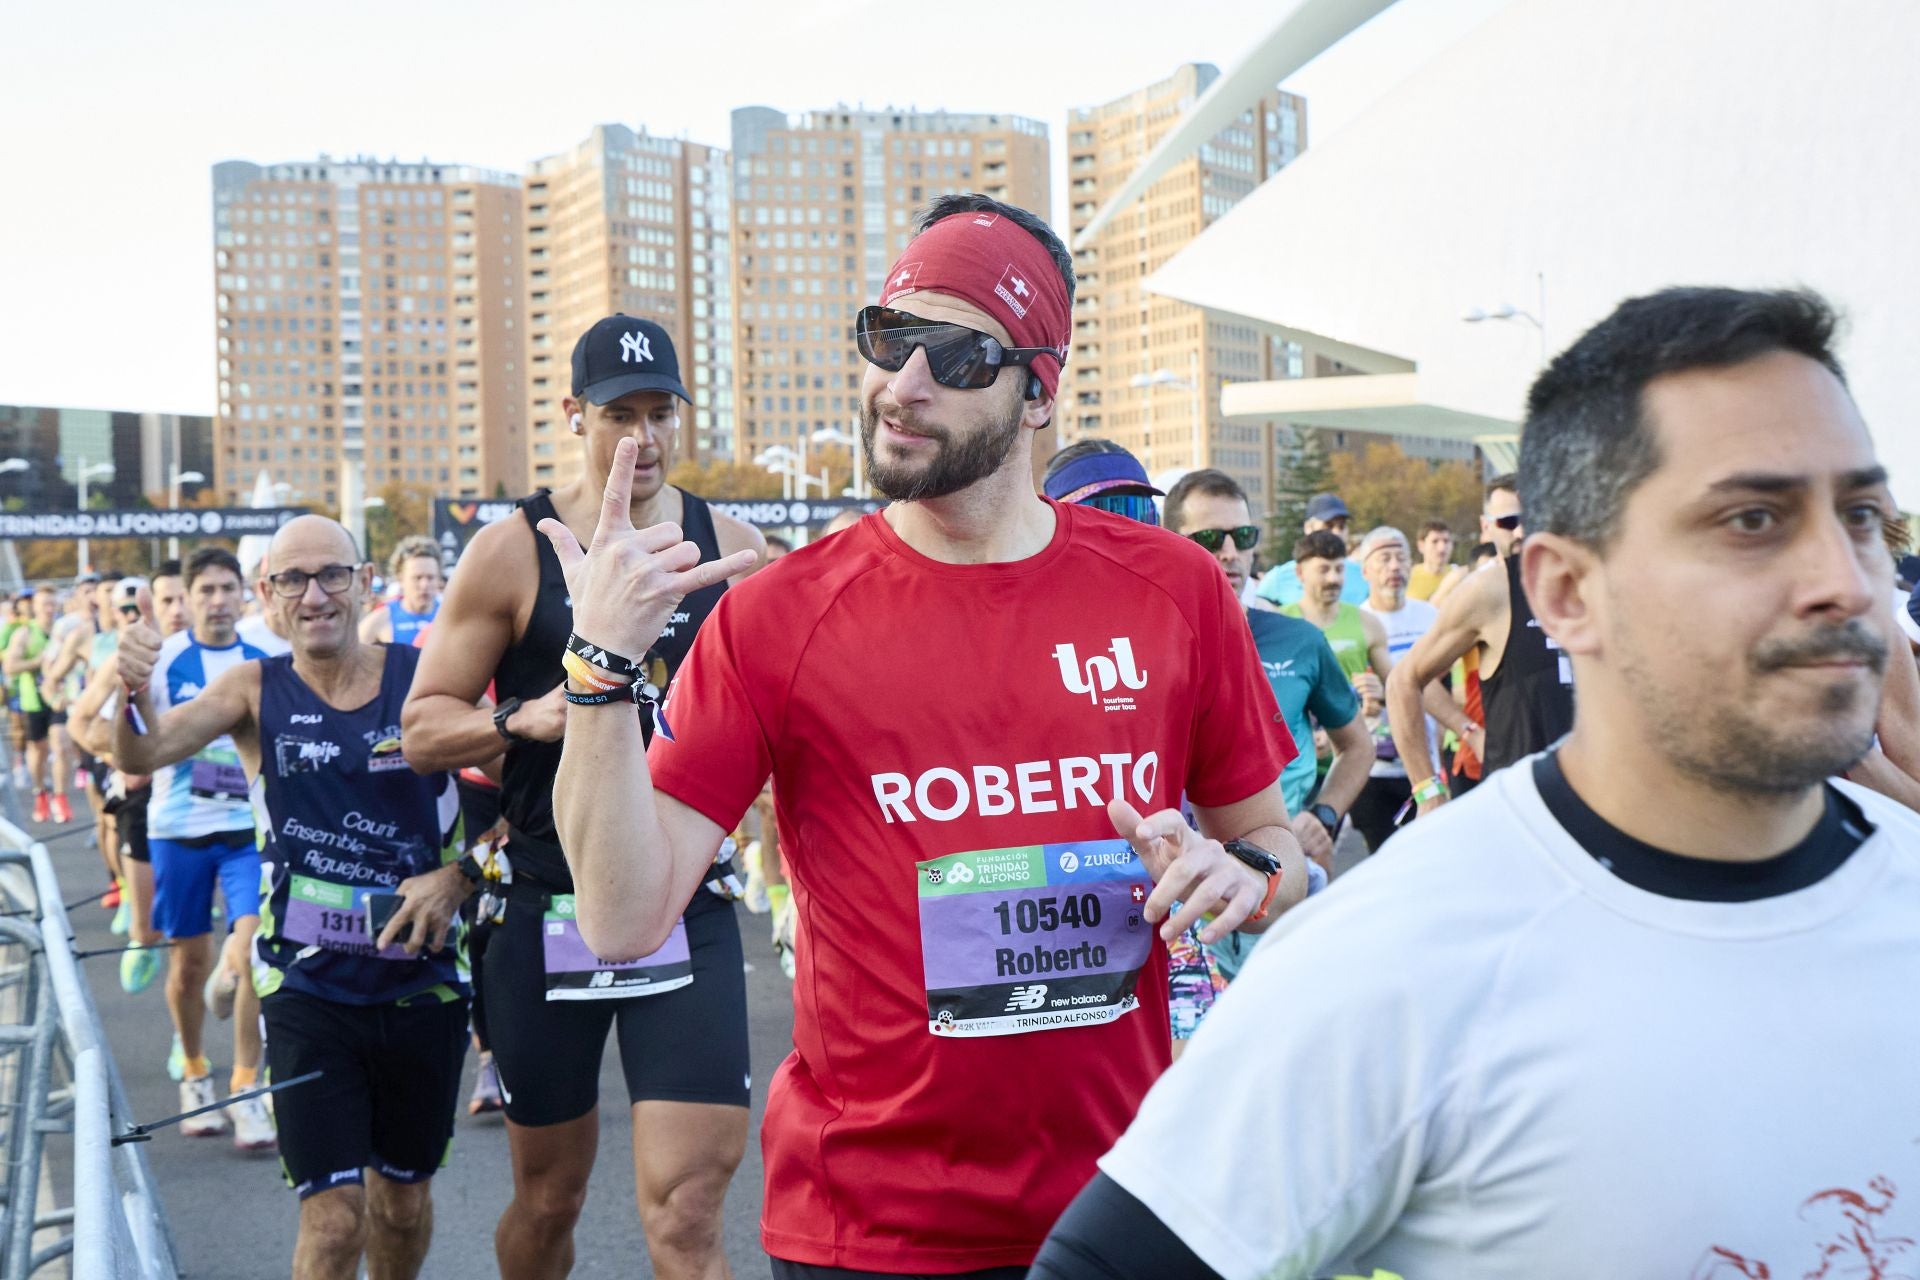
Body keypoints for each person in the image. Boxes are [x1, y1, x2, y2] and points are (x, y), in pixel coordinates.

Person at [1033, 285, 1920, 1279]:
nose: (1844, 577)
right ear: (1566, 590)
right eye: (1753, 519)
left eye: (1863, 515)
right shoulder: (1399, 957)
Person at [544, 192, 1309, 1278]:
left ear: (1038, 390)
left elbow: (1273, 851)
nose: (900, 385)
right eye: (890, 338)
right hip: (871, 1228)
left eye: (954, 356)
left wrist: (1238, 875)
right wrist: (599, 668)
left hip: (1124, 1204)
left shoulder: (1173, 589)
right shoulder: (779, 614)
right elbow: (620, 918)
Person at [401, 313, 764, 1280]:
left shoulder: (728, 547)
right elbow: (422, 727)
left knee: (689, 1209)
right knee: (550, 1198)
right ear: (574, 414)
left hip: (689, 904)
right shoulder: (513, 550)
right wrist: (526, 718)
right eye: (618, 415)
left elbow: (788, 731)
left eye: (659, 414)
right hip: (544, 905)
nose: (640, 440)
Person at [119, 515, 471, 1280]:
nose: (315, 596)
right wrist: (132, 693)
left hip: (423, 983)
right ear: (268, 598)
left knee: (402, 1205)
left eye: (332, 575)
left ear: (364, 582)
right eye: (293, 581)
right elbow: (144, 750)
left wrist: (460, 878)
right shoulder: (252, 689)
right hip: (305, 986)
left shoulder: (427, 675)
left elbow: (527, 797)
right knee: (334, 1221)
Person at [1161, 469, 1368, 979]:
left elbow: (1358, 745)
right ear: (1171, 542)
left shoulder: (1297, 639)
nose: (1230, 552)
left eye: (1243, 537)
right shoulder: (1146, 639)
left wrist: (1323, 814)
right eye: (1210, 538)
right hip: (1177, 896)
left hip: (1277, 882)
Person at [111, 548, 275, 1148]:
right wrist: (124, 759)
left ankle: (245, 1089)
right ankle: (196, 1070)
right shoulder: (165, 657)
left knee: (254, 955)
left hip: (245, 832)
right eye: (204, 590)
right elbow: (122, 734)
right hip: (177, 830)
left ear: (244, 594)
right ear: (187, 596)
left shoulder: (264, 661)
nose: (217, 600)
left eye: (227, 588)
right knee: (187, 966)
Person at [1386, 473, 1576, 815]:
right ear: (1487, 527)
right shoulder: (1489, 590)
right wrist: (1429, 789)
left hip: (1602, 808)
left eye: (1531, 518)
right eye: (1508, 522)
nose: (1520, 532)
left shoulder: (1595, 580)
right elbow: (1404, 681)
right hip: (1518, 807)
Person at [6, 585, 71, 823]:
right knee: (38, 749)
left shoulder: (64, 631)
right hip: (33, 700)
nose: (49, 609)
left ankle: (61, 797)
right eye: (44, 604)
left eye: (53, 604)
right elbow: (10, 666)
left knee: (61, 742)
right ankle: (40, 792)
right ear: (35, 607)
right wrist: (37, 661)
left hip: (58, 698)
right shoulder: (24, 634)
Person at [1253, 493, 1370, 608]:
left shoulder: (1364, 576)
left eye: (1342, 526)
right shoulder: (1279, 579)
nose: (1337, 532)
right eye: (1328, 525)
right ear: (1308, 527)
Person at [360, 537, 444, 646]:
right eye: (417, 578)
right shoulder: (381, 619)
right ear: (401, 579)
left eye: (430, 577)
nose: (424, 585)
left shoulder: (449, 616)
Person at [1407, 519, 1453, 601]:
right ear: (1421, 546)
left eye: (1446, 541)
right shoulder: (1407, 578)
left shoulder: (1460, 578)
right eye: (1435, 541)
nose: (1442, 548)